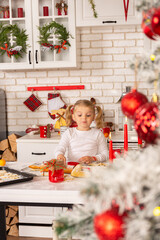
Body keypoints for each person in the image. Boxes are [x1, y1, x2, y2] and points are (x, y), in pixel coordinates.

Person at [55, 99, 108, 164]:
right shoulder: (69, 132)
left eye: (88, 115)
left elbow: (105, 154)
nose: (84, 118)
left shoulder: (98, 134)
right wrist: (60, 155)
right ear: (74, 117)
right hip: (72, 169)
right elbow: (60, 148)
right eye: (80, 115)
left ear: (93, 117)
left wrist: (93, 158)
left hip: (91, 169)